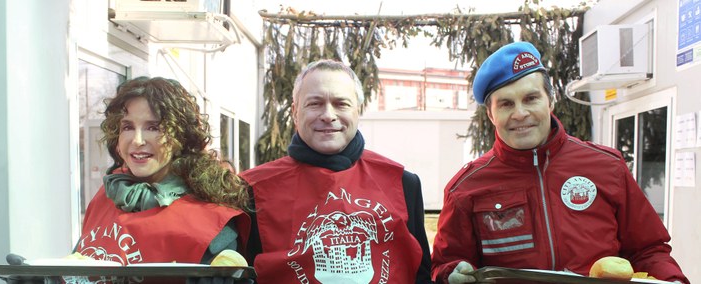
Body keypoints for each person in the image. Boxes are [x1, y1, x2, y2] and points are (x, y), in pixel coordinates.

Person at [430, 42, 689, 284]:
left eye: (531, 98)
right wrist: (450, 273)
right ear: (491, 114)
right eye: (506, 104)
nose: (520, 114)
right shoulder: (466, 188)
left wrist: (672, 279)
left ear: (550, 100)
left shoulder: (606, 166)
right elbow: (445, 263)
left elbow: (648, 249)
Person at [239, 59, 433, 283]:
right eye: (315, 103)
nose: (328, 115)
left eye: (341, 103)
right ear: (294, 112)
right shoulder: (253, 190)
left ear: (357, 111)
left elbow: (422, 274)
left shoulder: (403, 183)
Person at [72, 77, 251, 283]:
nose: (137, 141)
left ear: (181, 137)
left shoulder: (212, 219)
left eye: (153, 127)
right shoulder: (106, 196)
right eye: (127, 127)